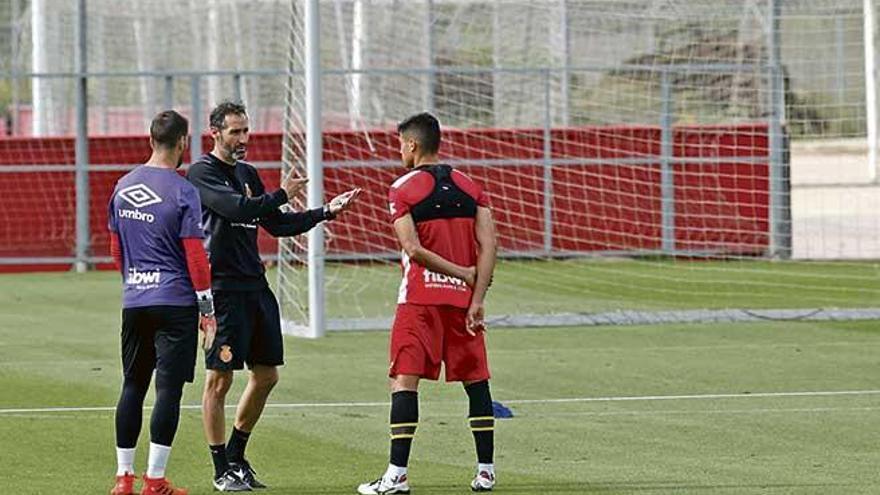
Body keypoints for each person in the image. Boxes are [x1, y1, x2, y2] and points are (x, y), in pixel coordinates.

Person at [186, 101, 361, 491]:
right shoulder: (201, 173)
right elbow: (235, 208)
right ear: (215, 133)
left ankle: (236, 456)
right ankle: (220, 470)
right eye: (235, 131)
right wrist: (282, 192)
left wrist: (325, 212)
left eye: (246, 130)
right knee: (219, 380)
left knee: (266, 375)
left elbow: (276, 224)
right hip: (223, 290)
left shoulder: (248, 173)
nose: (243, 138)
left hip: (255, 287)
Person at [358, 112, 498, 494]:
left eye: (400, 144)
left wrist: (461, 273)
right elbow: (490, 245)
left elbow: (413, 249)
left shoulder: (402, 188)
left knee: (404, 380)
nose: (399, 150)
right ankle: (486, 471)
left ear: (412, 145)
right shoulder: (472, 187)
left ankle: (396, 475)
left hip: (419, 302)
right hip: (463, 304)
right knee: (476, 380)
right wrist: (476, 295)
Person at [108, 110, 217, 495]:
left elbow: (116, 249)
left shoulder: (123, 186)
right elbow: (195, 256)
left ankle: (123, 478)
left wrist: (135, 284)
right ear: (184, 142)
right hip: (174, 302)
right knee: (168, 390)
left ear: (150, 139)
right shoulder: (183, 189)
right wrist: (207, 309)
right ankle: (154, 480)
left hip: (135, 299)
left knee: (133, 384)